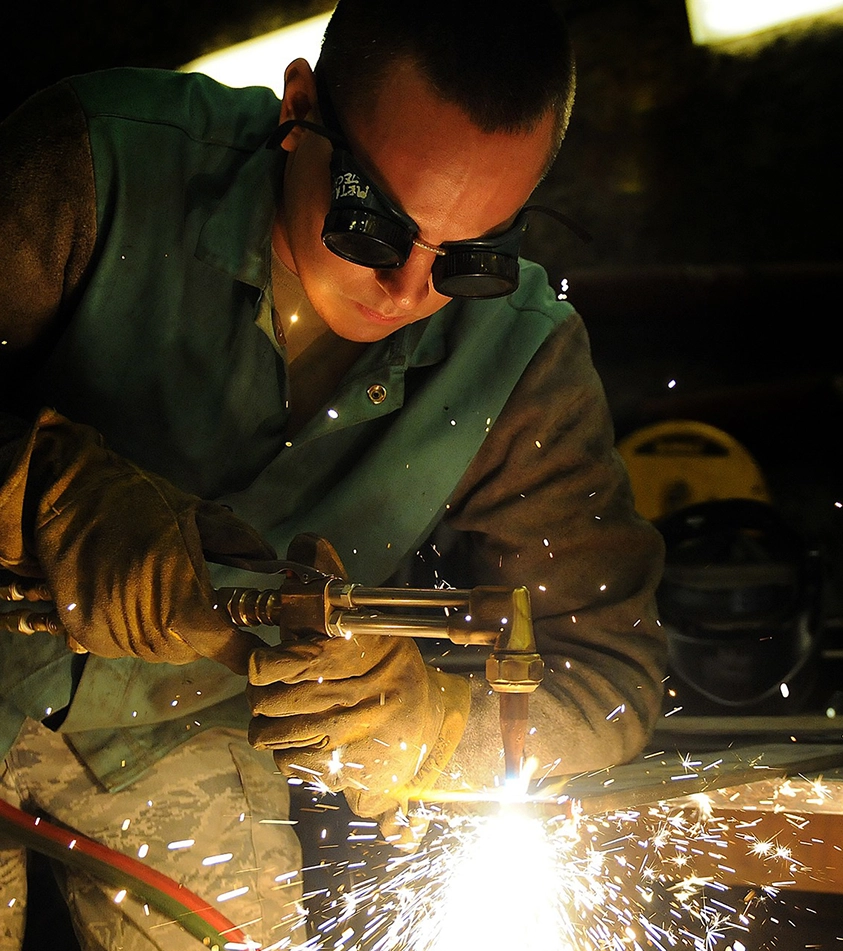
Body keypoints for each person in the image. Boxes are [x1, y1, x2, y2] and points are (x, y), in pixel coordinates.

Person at [0, 0, 666, 946]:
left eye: (473, 256)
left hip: (181, 733)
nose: (408, 292)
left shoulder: (522, 363)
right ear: (297, 109)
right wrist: (48, 498)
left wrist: (434, 724)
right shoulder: (92, 167)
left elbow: (609, 675)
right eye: (370, 225)